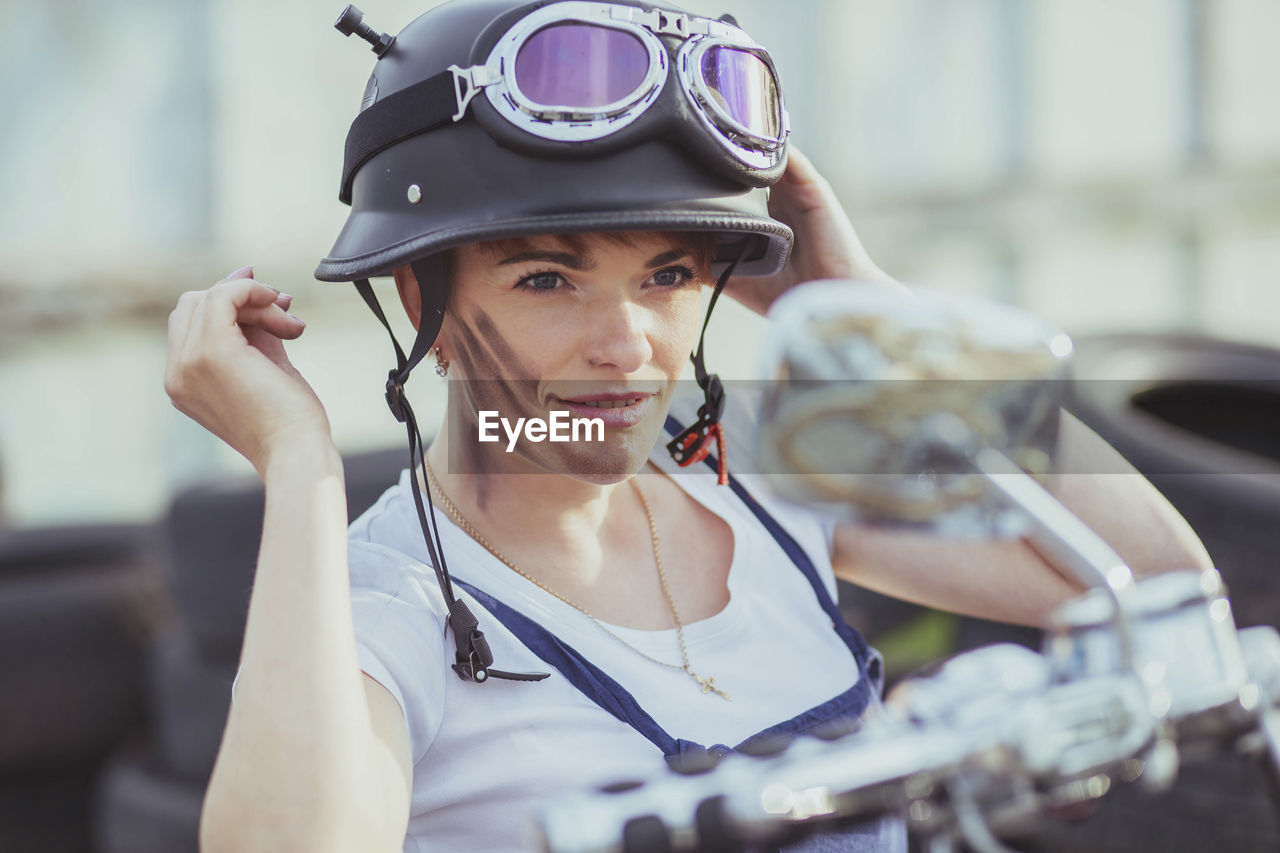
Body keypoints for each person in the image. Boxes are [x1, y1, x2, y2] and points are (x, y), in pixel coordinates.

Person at [165, 1, 1213, 850]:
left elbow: (1161, 594)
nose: (625, 347)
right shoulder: (387, 605)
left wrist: (859, 306)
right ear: (417, 303)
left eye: (667, 275)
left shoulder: (748, 463)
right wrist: (295, 467)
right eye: (546, 279)